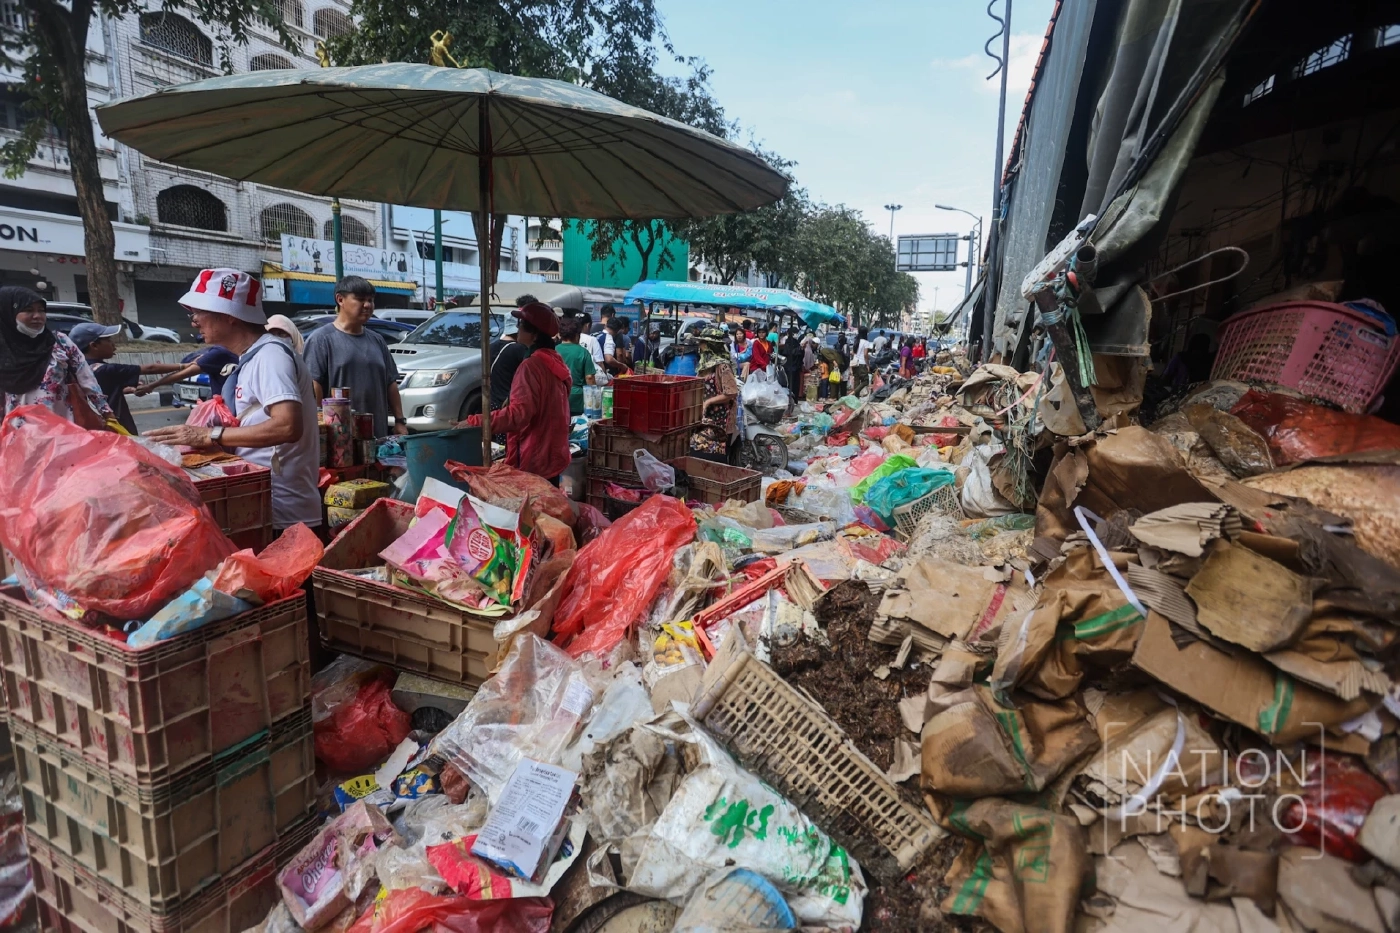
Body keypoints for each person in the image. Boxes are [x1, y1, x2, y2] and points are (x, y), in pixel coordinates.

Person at [147, 268, 320, 532]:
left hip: (283, 513)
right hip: (263, 504)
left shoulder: (270, 356)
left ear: (228, 316)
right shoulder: (254, 356)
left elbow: (287, 426)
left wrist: (209, 435)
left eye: (198, 312)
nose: (194, 321)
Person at [461, 302, 571, 483]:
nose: (517, 328)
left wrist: (475, 421)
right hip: (552, 455)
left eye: (521, 325)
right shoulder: (554, 360)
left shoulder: (531, 366)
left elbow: (519, 415)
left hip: (533, 458)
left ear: (534, 334)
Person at [303, 276, 407, 437]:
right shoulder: (321, 340)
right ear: (340, 299)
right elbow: (313, 386)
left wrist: (400, 421)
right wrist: (319, 428)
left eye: (371, 300)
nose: (367, 305)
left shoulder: (377, 340)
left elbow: (390, 383)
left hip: (376, 434)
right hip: (339, 438)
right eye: (360, 299)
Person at [0, 286, 115, 426]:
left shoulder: (59, 342)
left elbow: (87, 378)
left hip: (62, 430)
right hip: (18, 432)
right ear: (8, 312)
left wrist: (107, 413)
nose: (37, 316)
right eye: (28, 310)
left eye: (41, 310)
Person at [70, 322, 184, 435]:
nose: (113, 344)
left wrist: (125, 389)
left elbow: (98, 392)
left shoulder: (78, 369)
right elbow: (150, 368)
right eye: (108, 340)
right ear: (94, 345)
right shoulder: (106, 369)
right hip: (115, 427)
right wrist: (184, 366)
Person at [688, 324, 739, 462]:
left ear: (710, 345)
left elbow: (731, 393)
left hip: (722, 418)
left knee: (717, 455)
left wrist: (709, 402)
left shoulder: (722, 366)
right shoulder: (704, 364)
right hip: (707, 417)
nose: (700, 345)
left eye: (702, 343)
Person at [556, 316, 597, 416]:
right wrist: (595, 398)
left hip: (557, 396)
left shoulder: (554, 350)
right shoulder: (583, 352)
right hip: (577, 398)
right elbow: (590, 377)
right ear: (577, 335)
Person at [780, 328, 803, 401]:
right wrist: (800, 349)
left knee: (792, 384)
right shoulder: (790, 342)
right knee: (792, 384)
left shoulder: (792, 341)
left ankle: (792, 399)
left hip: (792, 366)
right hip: (791, 366)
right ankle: (791, 399)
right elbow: (791, 352)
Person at [850, 326, 872, 394]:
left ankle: (855, 398)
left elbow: (853, 352)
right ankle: (854, 393)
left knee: (856, 380)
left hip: (854, 363)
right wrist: (868, 365)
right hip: (862, 364)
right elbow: (865, 355)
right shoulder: (866, 342)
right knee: (865, 381)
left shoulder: (856, 341)